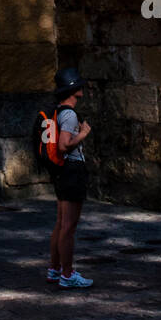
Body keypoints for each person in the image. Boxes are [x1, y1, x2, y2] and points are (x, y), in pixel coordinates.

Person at [46, 67, 93, 290]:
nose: (83, 88)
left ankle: (54, 269)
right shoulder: (70, 114)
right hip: (71, 171)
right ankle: (67, 274)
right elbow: (64, 145)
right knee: (69, 227)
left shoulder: (58, 111)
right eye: (80, 85)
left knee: (60, 223)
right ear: (75, 90)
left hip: (61, 172)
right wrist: (83, 134)